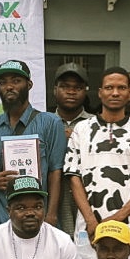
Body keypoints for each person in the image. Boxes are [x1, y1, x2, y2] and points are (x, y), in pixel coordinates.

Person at [65, 67, 130, 251]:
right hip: (89, 228)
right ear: (100, 93)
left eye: (122, 88)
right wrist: (91, 220)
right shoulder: (82, 130)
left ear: (129, 93)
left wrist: (117, 218)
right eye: (109, 87)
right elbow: (74, 178)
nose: (115, 93)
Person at [0, 60, 66, 227]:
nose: (9, 87)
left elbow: (55, 172)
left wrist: (51, 214)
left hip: (37, 213)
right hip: (0, 212)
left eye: (16, 81)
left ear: (29, 84)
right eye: (3, 82)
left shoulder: (50, 122)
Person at [52, 62, 92, 241]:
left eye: (77, 87)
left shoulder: (96, 124)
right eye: (65, 86)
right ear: (55, 89)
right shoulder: (43, 122)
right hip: (53, 200)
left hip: (87, 199)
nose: (71, 92)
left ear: (86, 91)